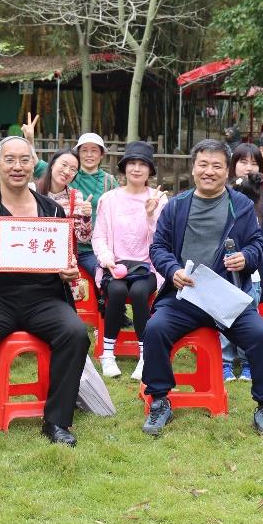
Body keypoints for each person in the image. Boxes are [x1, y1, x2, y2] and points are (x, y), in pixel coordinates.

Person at [0, 136, 91, 448]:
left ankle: (57, 421)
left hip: (45, 298)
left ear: (34, 164)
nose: (17, 166)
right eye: (10, 160)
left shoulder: (52, 210)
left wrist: (69, 270)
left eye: (24, 159)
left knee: (75, 333)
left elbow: (67, 258)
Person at [143, 139, 263, 436]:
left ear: (227, 171)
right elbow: (159, 247)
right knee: (155, 330)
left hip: (225, 295)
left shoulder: (241, 205)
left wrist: (246, 257)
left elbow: (257, 245)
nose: (209, 171)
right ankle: (160, 400)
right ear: (193, 168)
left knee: (262, 337)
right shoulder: (176, 206)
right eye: (203, 164)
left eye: (217, 166)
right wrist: (173, 270)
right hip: (185, 295)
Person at [92, 141, 167, 381]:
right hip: (115, 265)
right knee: (115, 290)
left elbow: (162, 239)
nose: (136, 169)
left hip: (148, 267)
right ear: (124, 168)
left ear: (150, 170)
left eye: (142, 164)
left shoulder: (158, 199)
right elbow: (99, 235)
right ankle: (107, 353)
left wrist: (150, 214)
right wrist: (106, 259)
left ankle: (145, 355)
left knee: (138, 293)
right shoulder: (109, 199)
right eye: (132, 163)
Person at [27, 119, 117, 279]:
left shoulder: (108, 181)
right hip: (59, 244)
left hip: (93, 246)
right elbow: (36, 163)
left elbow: (119, 208)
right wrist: (30, 141)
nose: (89, 155)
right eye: (84, 150)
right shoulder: (66, 175)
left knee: (105, 276)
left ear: (101, 154)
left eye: (94, 150)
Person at [224, 142, 263, 381]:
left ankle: (248, 361)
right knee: (224, 315)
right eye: (243, 162)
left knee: (249, 316)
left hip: (253, 273)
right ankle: (226, 362)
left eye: (254, 163)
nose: (248, 167)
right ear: (233, 165)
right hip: (225, 269)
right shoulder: (223, 195)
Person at [34, 148, 94, 253]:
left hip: (62, 253)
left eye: (73, 169)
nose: (67, 172)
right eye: (64, 165)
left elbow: (83, 238)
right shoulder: (32, 190)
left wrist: (86, 217)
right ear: (52, 164)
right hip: (35, 249)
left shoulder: (75, 196)